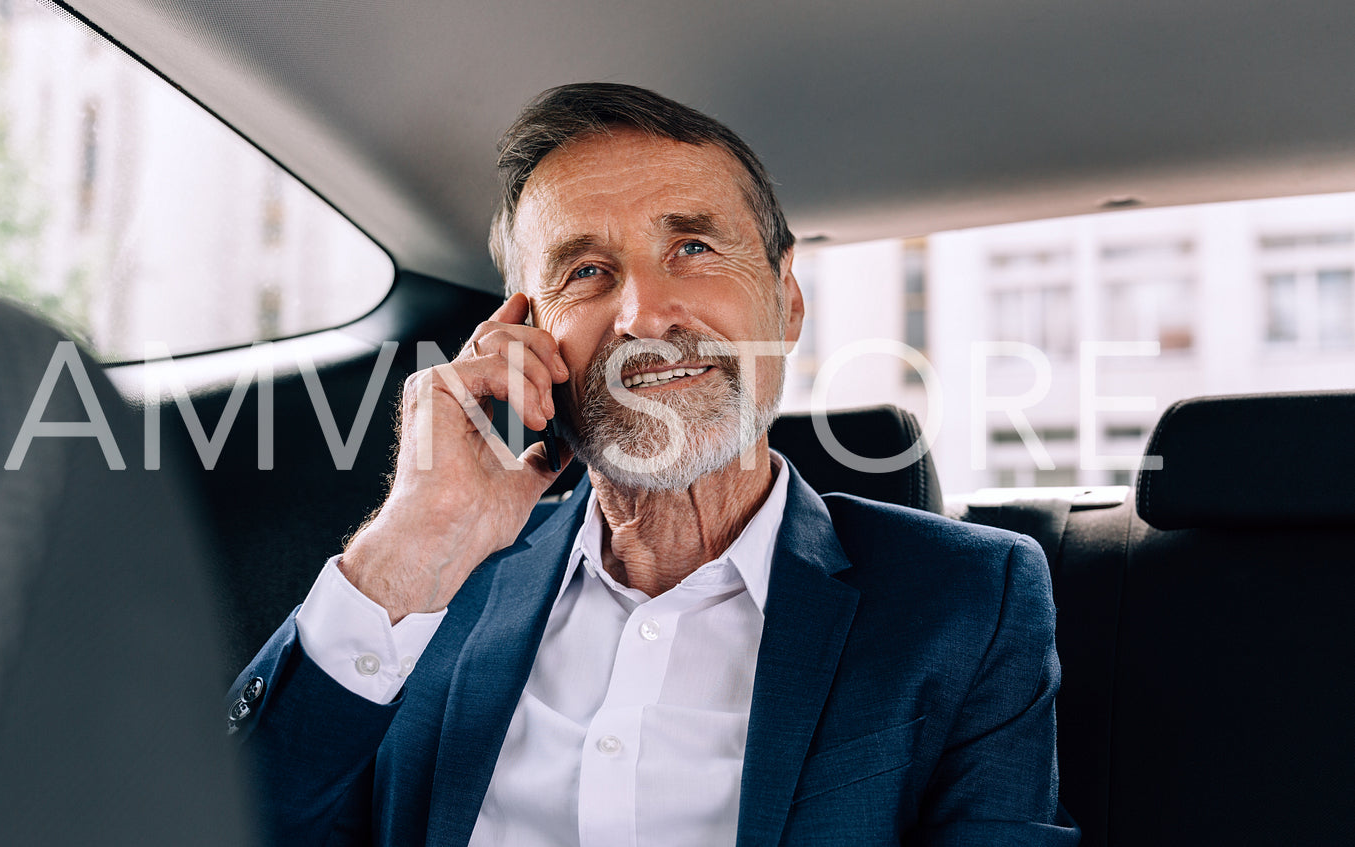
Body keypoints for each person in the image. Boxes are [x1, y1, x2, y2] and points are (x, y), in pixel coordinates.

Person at [226, 82, 1080, 846]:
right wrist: (407, 551)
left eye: (693, 250)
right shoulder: (434, 591)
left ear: (784, 303)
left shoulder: (966, 598)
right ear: (523, 333)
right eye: (587, 271)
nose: (640, 314)